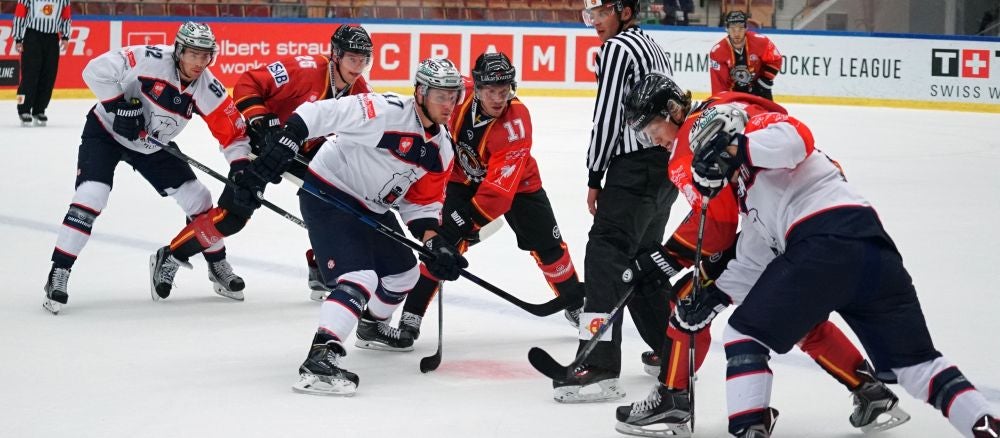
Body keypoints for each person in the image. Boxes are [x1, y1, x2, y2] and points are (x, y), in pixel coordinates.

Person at [643, 85, 998, 436]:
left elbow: (797, 139)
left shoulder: (763, 134)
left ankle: (749, 428)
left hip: (821, 243)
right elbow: (754, 255)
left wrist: (739, 148)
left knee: (745, 335)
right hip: (872, 251)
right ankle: (987, 426)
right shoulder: (750, 193)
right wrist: (714, 297)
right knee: (918, 367)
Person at [613, 76, 912, 437]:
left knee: (688, 303)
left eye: (652, 129)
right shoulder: (723, 108)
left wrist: (668, 258)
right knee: (797, 319)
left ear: (673, 111)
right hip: (801, 226)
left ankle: (673, 401)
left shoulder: (690, 147)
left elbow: (719, 225)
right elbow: (753, 209)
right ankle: (870, 391)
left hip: (798, 229)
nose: (653, 140)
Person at [257, 58, 468, 396]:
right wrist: (290, 137)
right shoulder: (385, 110)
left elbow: (421, 204)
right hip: (328, 191)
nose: (449, 105)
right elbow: (320, 114)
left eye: (453, 96)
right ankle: (319, 357)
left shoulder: (442, 149)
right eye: (441, 96)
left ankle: (370, 326)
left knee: (405, 275)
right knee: (360, 277)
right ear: (421, 92)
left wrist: (435, 242)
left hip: (372, 206)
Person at [150, 24, 374, 302]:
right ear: (336, 55)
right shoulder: (305, 69)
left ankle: (321, 267)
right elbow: (248, 82)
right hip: (260, 144)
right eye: (352, 58)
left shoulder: (360, 90)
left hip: (302, 150)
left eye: (364, 60)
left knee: (339, 200)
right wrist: (262, 121)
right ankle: (172, 254)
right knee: (234, 217)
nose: (358, 66)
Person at [42, 22, 250, 314]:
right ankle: (59, 271)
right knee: (91, 196)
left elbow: (234, 134)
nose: (199, 63)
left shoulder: (208, 87)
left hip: (151, 145)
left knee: (200, 199)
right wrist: (118, 106)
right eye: (193, 54)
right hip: (106, 133)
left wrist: (240, 169)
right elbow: (94, 69)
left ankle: (216, 264)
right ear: (178, 50)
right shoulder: (150, 58)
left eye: (206, 56)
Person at [387, 51, 586, 351]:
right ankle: (412, 315)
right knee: (439, 245)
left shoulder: (515, 123)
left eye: (504, 91)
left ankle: (574, 302)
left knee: (548, 246)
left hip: (519, 187)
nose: (498, 98)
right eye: (491, 91)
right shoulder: (457, 95)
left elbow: (498, 193)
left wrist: (463, 222)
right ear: (476, 88)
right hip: (460, 180)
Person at [552, 0, 678, 404]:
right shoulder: (650, 43)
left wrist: (594, 174)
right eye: (591, 16)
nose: (595, 24)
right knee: (643, 260)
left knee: (606, 256)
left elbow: (606, 116)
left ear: (624, 11)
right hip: (665, 166)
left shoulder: (617, 49)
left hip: (634, 170)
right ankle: (673, 353)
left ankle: (598, 364)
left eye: (602, 13)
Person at [12, 0, 72, 126]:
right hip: (32, 36)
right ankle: (23, 109)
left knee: (48, 76)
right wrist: (18, 38)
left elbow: (66, 16)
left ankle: (39, 110)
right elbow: (19, 15)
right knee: (29, 76)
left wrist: (65, 36)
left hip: (52, 38)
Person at [709, 10, 782, 101]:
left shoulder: (761, 42)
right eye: (732, 28)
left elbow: (775, 60)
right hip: (733, 95)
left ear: (746, 28)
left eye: (740, 28)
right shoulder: (718, 51)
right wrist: (722, 102)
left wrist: (764, 81)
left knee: (770, 114)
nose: (736, 33)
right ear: (727, 28)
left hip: (760, 89)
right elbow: (719, 84)